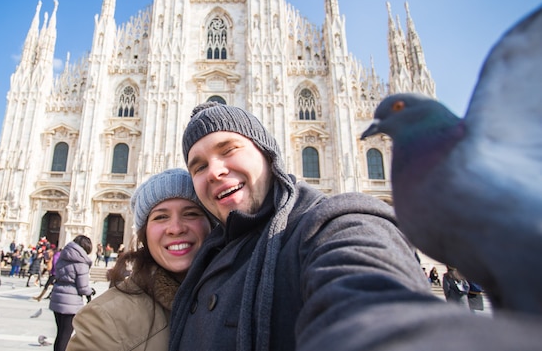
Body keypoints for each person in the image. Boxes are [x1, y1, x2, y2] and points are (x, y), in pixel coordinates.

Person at [169, 102, 542, 351]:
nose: (215, 171)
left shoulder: (327, 224)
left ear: (267, 154)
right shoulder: (204, 252)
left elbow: (366, 288)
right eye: (198, 166)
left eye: (229, 149)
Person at [67, 168, 213, 351]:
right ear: (144, 235)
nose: (176, 228)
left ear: (212, 225)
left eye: (191, 213)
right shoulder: (105, 320)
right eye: (161, 217)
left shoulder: (244, 294)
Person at [48, 235, 94, 351]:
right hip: (71, 303)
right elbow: (83, 288)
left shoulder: (62, 257)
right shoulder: (81, 263)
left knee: (60, 334)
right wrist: (91, 291)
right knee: (66, 336)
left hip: (57, 298)